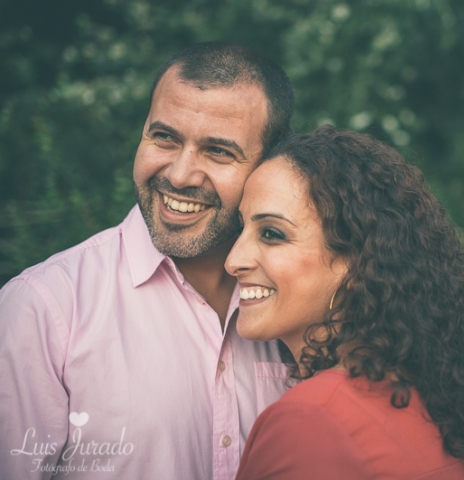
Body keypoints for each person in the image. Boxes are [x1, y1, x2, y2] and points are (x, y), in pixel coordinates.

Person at [0, 42, 295, 479]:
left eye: (218, 151)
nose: (178, 175)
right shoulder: (43, 308)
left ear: (271, 165)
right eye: (165, 138)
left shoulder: (300, 300)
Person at [226, 126, 464, 480]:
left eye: (272, 234)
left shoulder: (313, 419)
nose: (233, 260)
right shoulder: (426, 399)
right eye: (240, 228)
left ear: (355, 261)